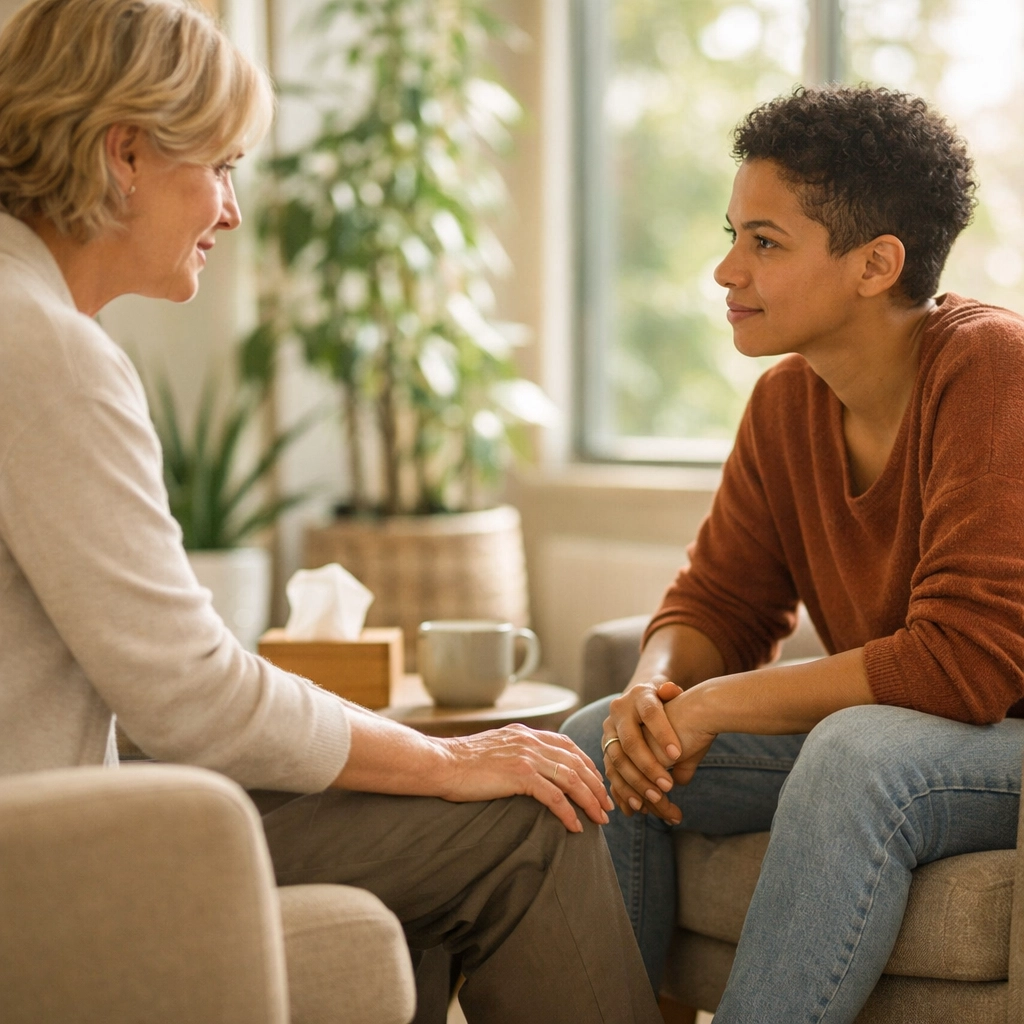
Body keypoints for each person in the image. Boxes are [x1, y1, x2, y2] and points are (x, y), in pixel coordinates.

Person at [0, 2, 661, 1021]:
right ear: (123, 153)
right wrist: (441, 758)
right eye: (220, 167)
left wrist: (407, 768)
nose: (231, 211)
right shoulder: (45, 347)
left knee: (428, 807)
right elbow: (189, 696)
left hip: (59, 812)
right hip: (46, 855)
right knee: (526, 821)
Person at [563, 85, 1024, 1023]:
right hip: (906, 737)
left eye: (764, 243)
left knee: (856, 753)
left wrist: (714, 705)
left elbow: (965, 663)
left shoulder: (992, 369)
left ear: (876, 264)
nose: (725, 270)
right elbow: (720, 603)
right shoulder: (785, 403)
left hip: (1002, 738)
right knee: (594, 740)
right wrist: (654, 691)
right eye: (732, 235)